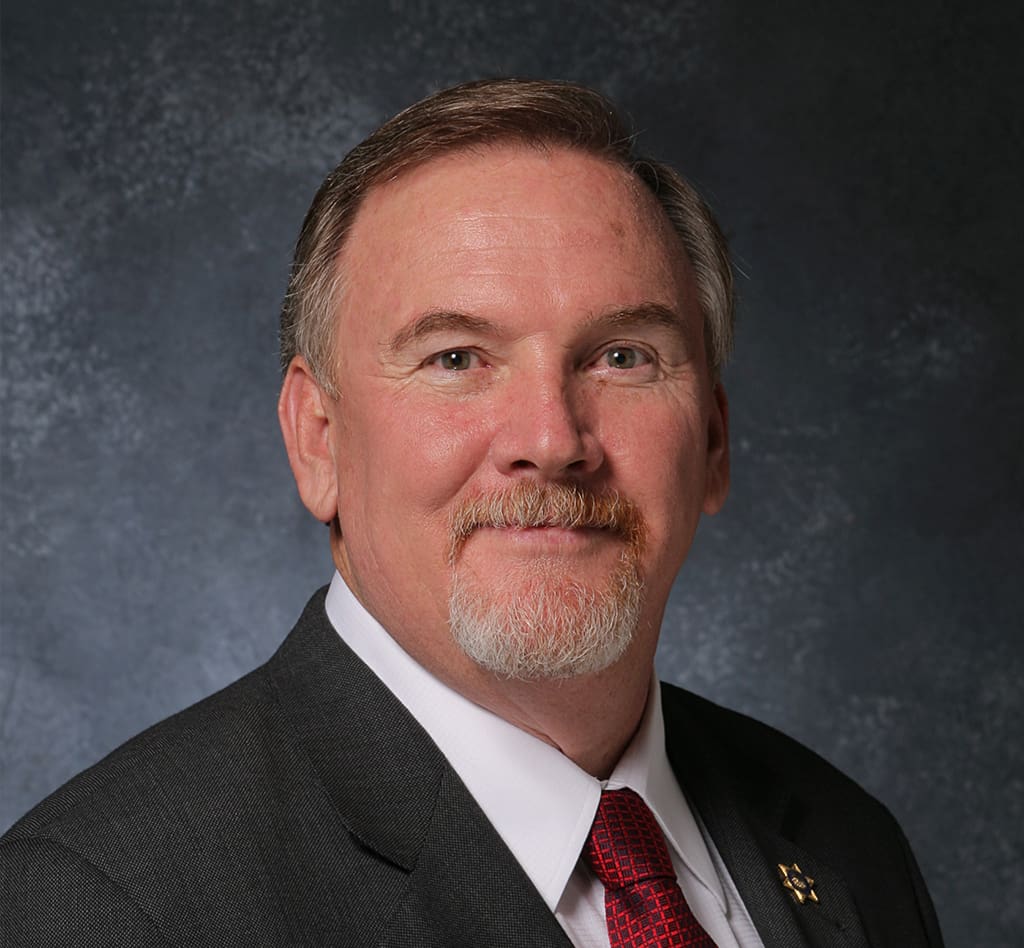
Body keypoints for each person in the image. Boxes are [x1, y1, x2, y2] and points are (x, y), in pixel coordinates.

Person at [0, 78, 943, 947]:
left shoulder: (847, 844)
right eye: (456, 357)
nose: (552, 438)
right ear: (319, 441)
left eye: (623, 355)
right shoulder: (107, 906)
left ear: (713, 444)